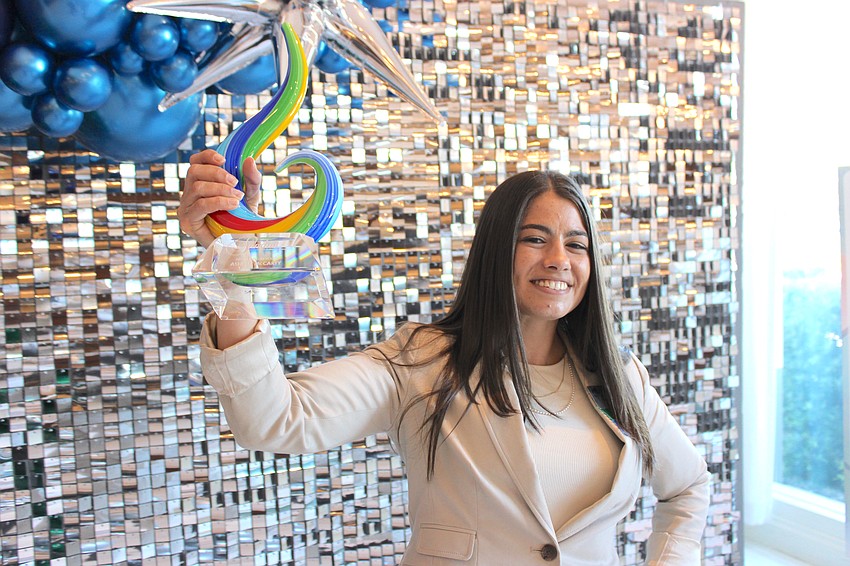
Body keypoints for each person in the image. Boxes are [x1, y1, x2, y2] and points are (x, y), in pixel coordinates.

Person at [179, 149, 711, 565]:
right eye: (534, 238)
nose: (558, 260)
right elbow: (273, 420)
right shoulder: (424, 363)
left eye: (577, 244)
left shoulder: (620, 381)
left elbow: (687, 487)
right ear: (493, 252)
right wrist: (236, 266)